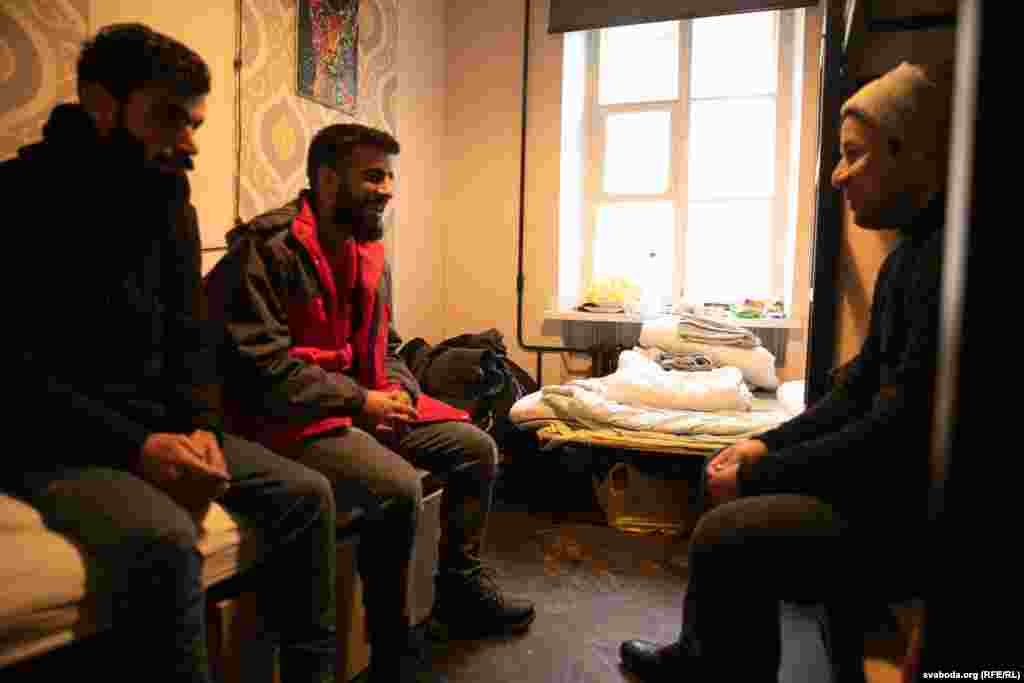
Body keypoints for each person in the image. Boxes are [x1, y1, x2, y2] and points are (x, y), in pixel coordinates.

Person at [1, 24, 339, 683]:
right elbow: (17, 375)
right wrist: (138, 447)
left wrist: (203, 428)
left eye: (194, 123)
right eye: (168, 119)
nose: (189, 143)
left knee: (308, 495)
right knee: (167, 542)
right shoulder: (19, 199)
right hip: (58, 442)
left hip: (160, 428)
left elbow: (194, 342)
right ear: (101, 103)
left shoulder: (170, 202)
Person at [619, 61, 954, 682]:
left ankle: (708, 667)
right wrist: (763, 443)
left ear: (910, 153)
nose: (838, 175)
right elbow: (856, 390)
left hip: (909, 520)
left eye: (853, 155)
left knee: (724, 534)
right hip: (889, 486)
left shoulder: (944, 266)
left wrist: (762, 470)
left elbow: (896, 429)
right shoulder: (908, 256)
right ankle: (711, 655)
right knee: (724, 471)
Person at [204, 124, 536, 647]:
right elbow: (263, 370)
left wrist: (400, 391)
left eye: (389, 177)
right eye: (374, 176)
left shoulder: (368, 252)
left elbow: (388, 345)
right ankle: (390, 638)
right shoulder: (265, 252)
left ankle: (459, 590)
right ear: (327, 179)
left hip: (358, 401)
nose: (387, 190)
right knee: (398, 486)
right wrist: (360, 401)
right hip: (286, 414)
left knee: (476, 448)